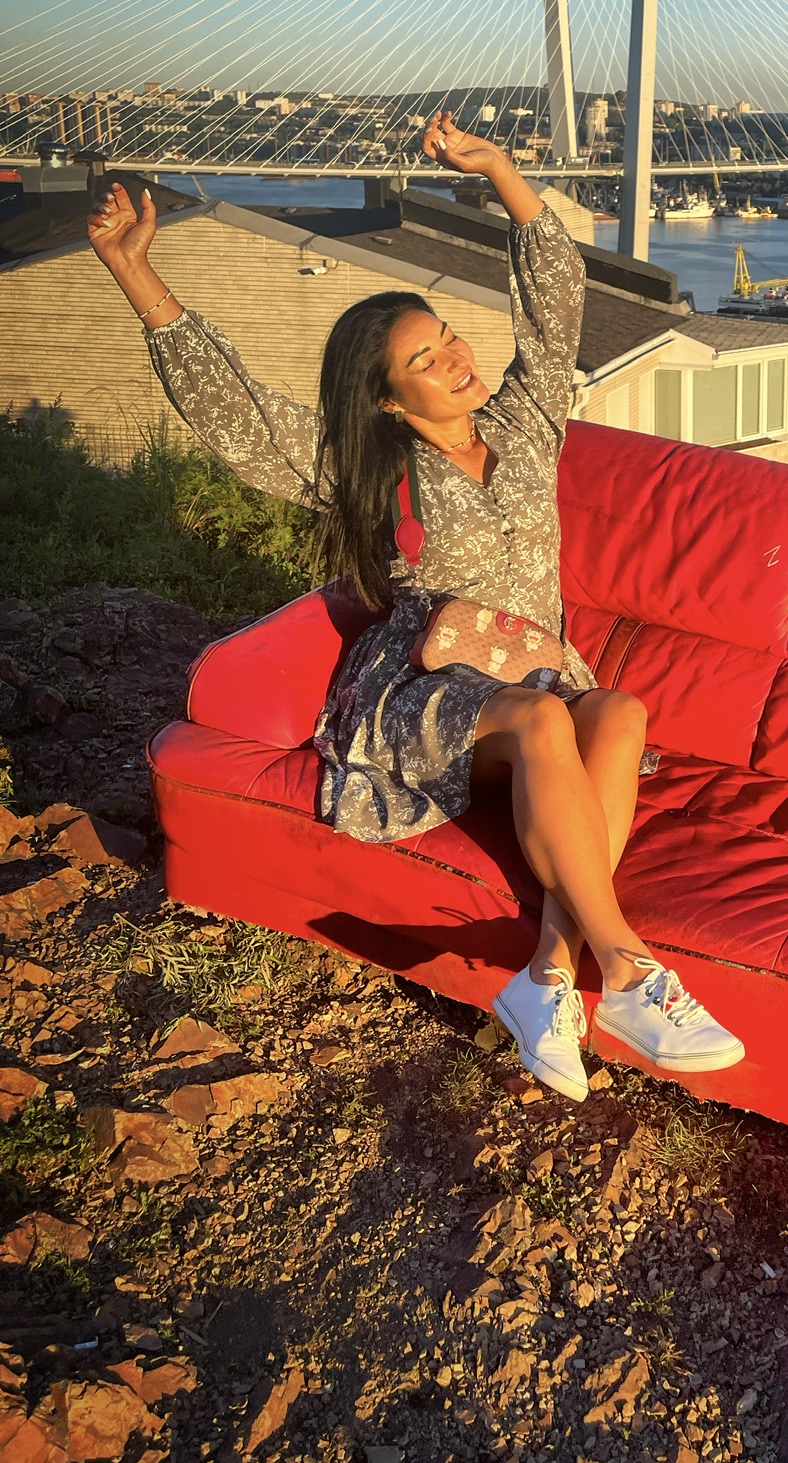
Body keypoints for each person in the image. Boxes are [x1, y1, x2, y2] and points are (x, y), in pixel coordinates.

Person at [86, 111, 744, 1103]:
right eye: (425, 360)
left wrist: (503, 171)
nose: (455, 358)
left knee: (618, 709)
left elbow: (556, 301)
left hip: (533, 678)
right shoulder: (372, 466)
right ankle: (631, 970)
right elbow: (238, 416)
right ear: (390, 400)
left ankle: (548, 976)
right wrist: (135, 273)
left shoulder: (526, 423)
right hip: (418, 697)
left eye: (446, 337)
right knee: (542, 719)